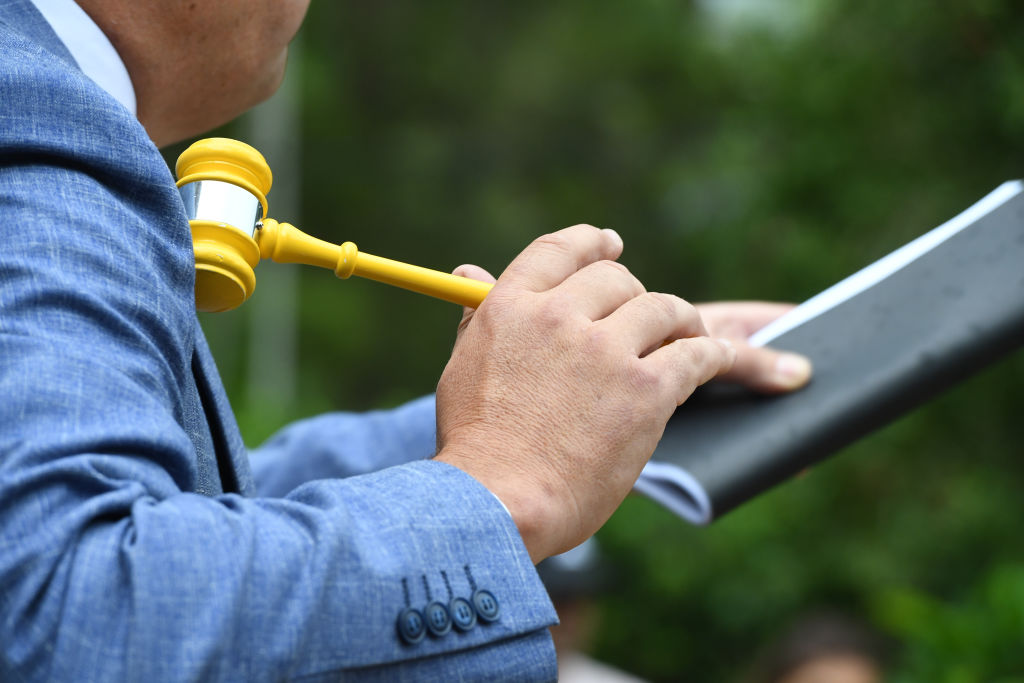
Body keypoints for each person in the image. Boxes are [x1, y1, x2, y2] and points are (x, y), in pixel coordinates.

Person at [0, 0, 812, 680]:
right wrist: (504, 487)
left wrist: (576, 406)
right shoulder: (37, 121)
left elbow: (192, 517)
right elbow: (68, 612)